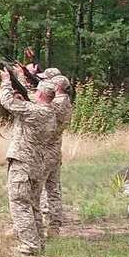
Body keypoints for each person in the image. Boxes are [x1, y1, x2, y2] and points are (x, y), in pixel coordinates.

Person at [0, 69, 57, 255]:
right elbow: (29, 110)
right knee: (33, 205)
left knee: (19, 202)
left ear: (40, 94)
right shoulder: (50, 113)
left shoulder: (33, 110)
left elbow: (6, 102)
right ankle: (38, 242)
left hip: (23, 163)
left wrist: (6, 81)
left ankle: (29, 245)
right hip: (37, 164)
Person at [41, 73, 73, 237]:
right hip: (54, 151)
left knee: (40, 189)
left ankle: (42, 226)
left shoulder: (58, 104)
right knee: (53, 189)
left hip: (46, 151)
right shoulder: (64, 102)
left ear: (58, 87)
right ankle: (54, 226)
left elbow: (39, 105)